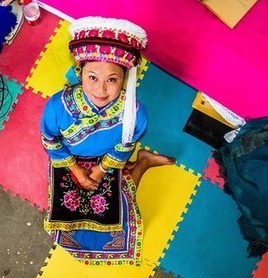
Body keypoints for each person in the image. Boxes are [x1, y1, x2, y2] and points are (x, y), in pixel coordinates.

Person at [40, 17, 174, 265]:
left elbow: (123, 147)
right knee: (69, 223)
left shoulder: (135, 115)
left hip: (107, 161)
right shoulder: (57, 107)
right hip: (69, 159)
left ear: (125, 78)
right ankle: (141, 163)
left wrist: (100, 171)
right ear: (80, 72)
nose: (101, 90)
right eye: (92, 77)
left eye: (112, 79)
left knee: (114, 216)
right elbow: (50, 140)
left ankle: (143, 162)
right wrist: (76, 170)